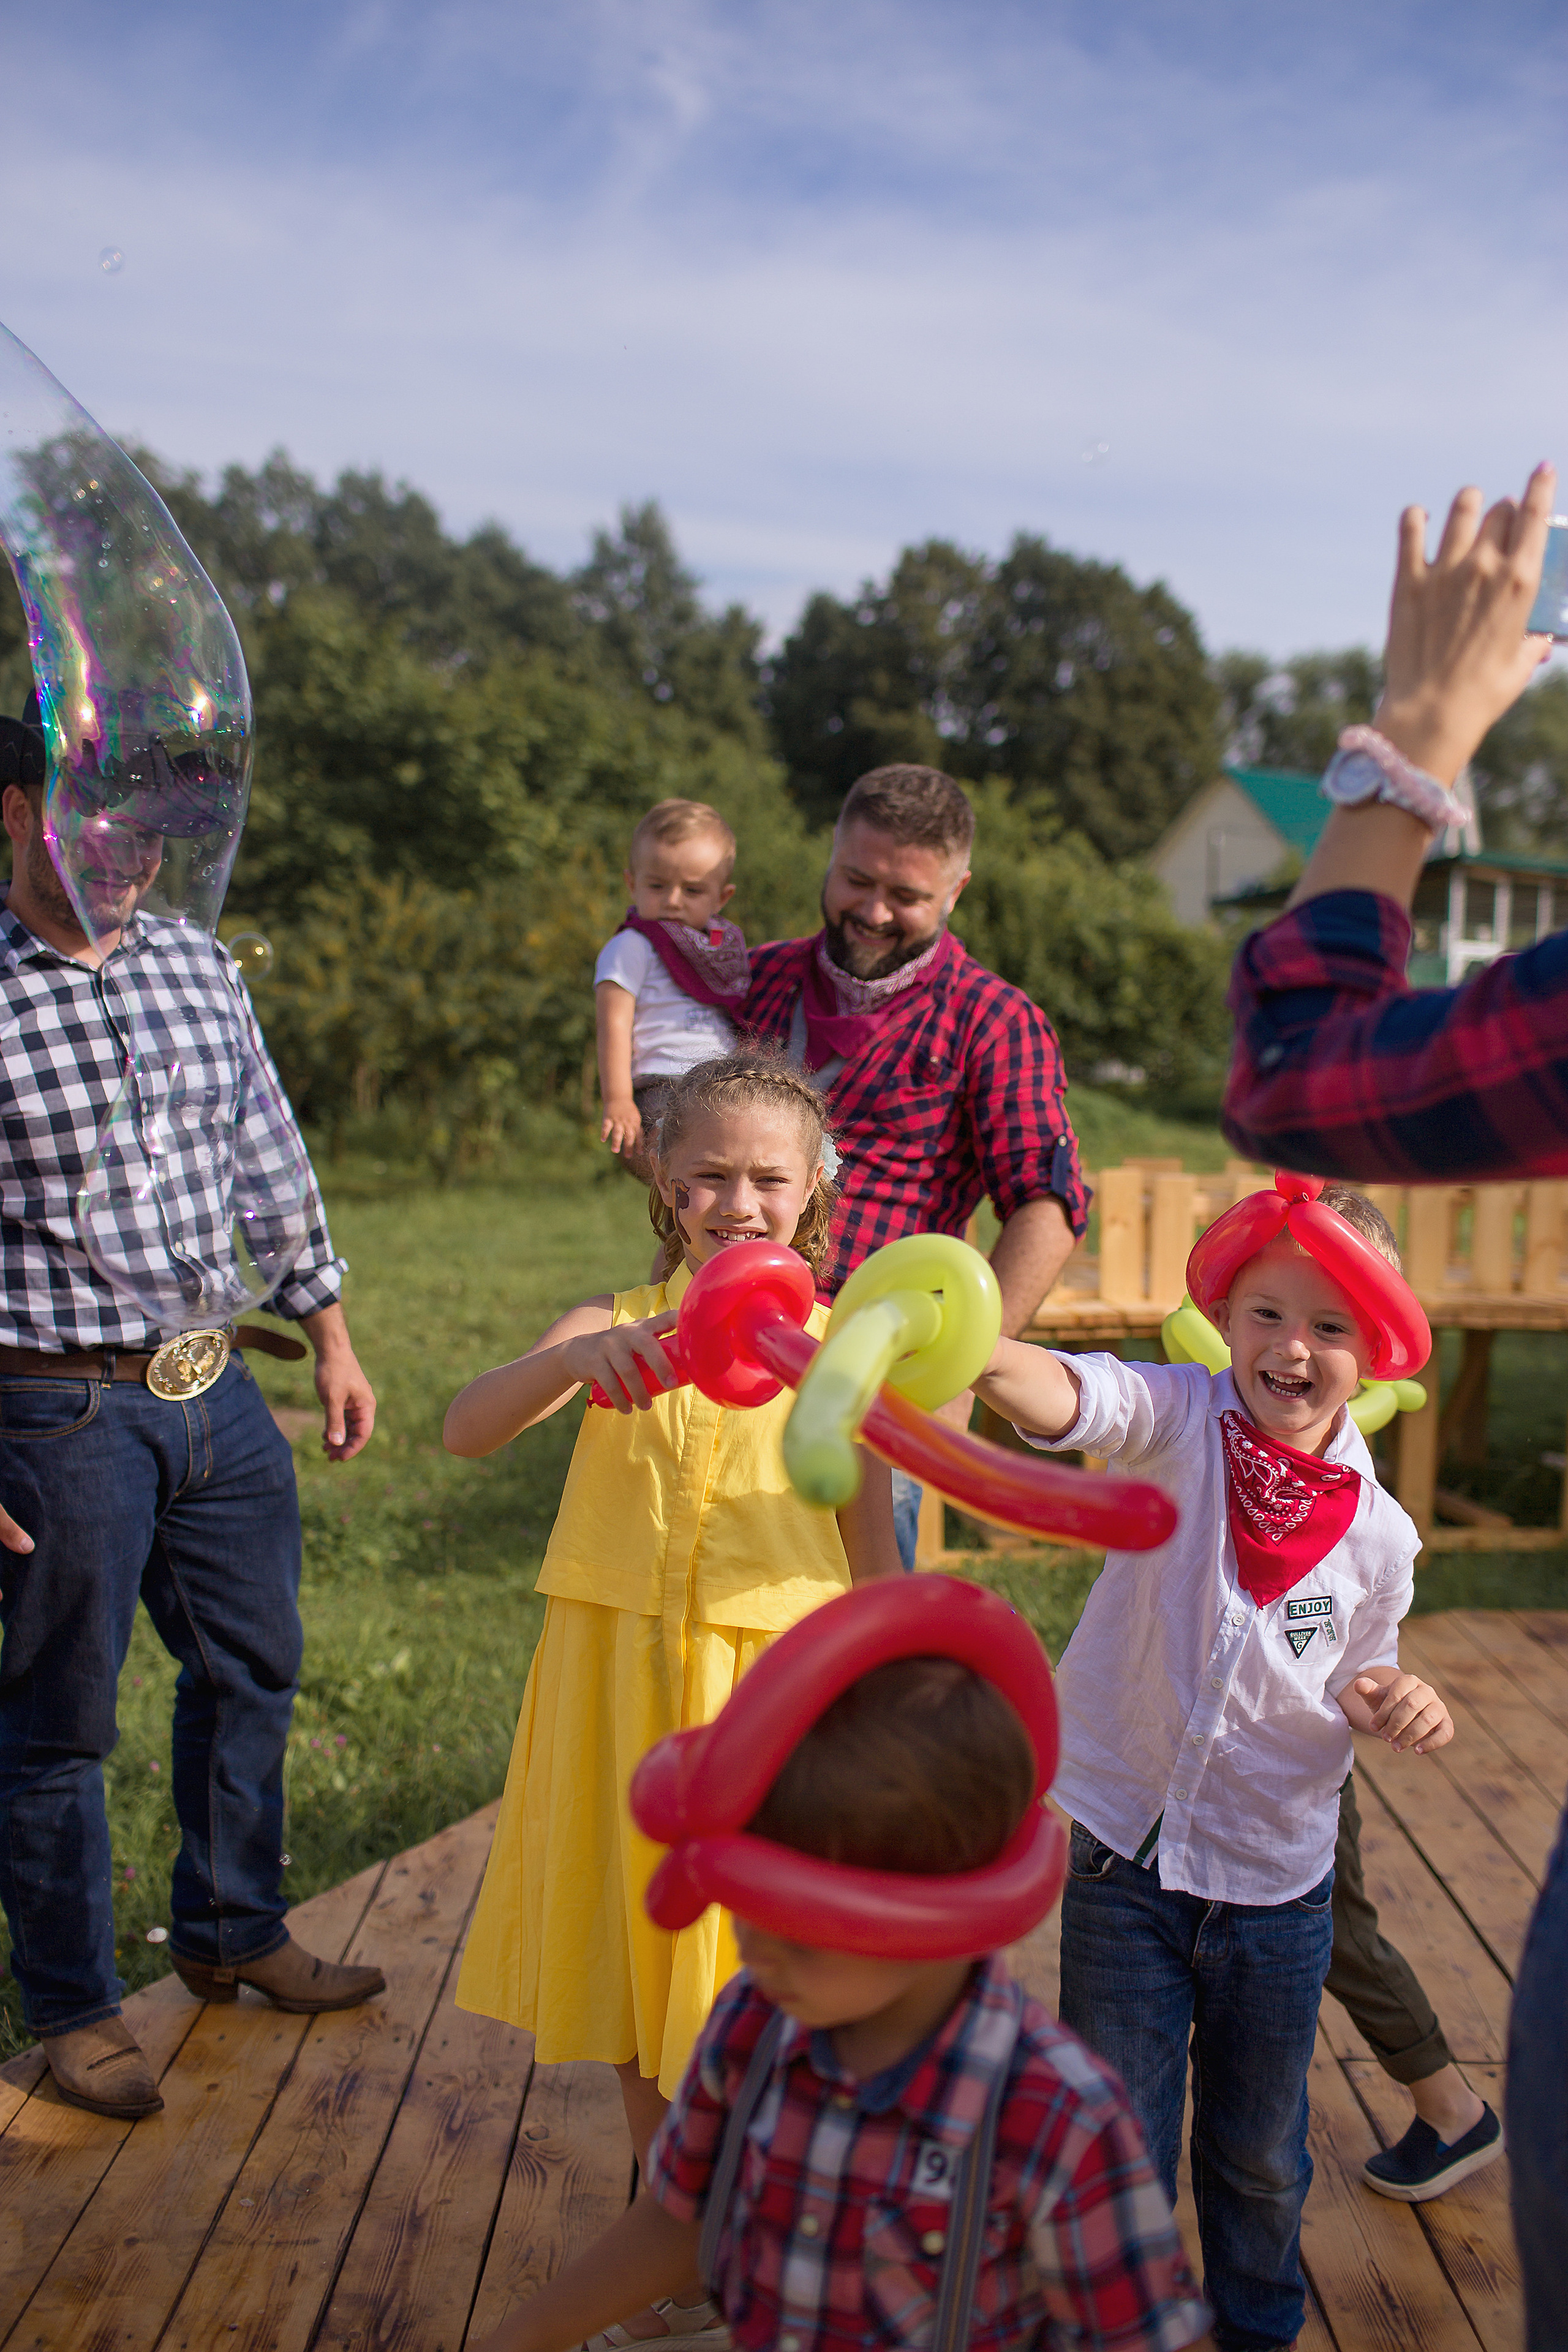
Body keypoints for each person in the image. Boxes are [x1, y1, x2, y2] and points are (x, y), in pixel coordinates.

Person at [1219, 461, 1566, 2345]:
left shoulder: (1368, 1514)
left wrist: (1411, 746)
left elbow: (1297, 1067)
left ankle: (1437, 2098)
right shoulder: (1216, 1432)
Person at [448, 1049, 901, 2342]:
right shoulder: (610, 1319)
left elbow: (875, 1560)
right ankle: (685, 2246)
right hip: (614, 1700)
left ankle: (768, 2240)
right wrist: (573, 1364)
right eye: (709, 1175)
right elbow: (467, 1429)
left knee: (752, 1988)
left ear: (815, 1189)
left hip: (768, 1708)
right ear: (661, 1175)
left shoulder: (837, 1353)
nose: (738, 1203)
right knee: (637, 1981)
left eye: (769, 1178)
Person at [971, 1179, 1458, 2348]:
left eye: (1332, 1328)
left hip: (1277, 1884)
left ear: (1377, 1351)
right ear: (1227, 1317)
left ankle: (1257, 2328)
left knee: (1259, 2156)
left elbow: (1356, 1666)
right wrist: (976, 1345)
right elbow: (1076, 1395)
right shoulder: (1180, 1416)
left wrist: (1392, 1696)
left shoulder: (1381, 1534)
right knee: (1120, 2141)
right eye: (1268, 1314)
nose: (1293, 1349)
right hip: (1125, 1863)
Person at [0, 693, 383, 2124]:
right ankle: (75, 2005)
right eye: (101, 821)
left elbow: (264, 1151)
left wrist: (327, 1326)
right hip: (53, 1413)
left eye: (154, 830)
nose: (131, 855)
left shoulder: (196, 968)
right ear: (16, 812)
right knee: (57, 1723)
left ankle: (231, 1923)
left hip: (217, 1389)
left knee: (252, 1666)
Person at [469, 1649, 1213, 2352]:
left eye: (803, 1920)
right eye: (748, 1897)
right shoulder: (752, 2026)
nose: (755, 1948)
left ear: (940, 1910)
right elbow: (683, 2217)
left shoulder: (1056, 2119)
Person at [742, 763, 1089, 1565]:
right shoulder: (753, 981)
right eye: (855, 879)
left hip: (874, 1382)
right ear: (830, 856)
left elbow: (1049, 1203)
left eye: (905, 897)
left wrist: (968, 1364)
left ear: (956, 891)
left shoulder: (993, 1020)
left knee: (849, 1636)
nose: (871, 911)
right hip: (724, 1352)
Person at [597, 800, 750, 1180]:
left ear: (722, 897)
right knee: (684, 1176)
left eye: (693, 890)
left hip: (722, 1078)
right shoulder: (633, 945)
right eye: (657, 885)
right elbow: (613, 1022)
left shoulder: (715, 952)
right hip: (664, 1081)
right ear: (632, 884)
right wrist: (617, 1099)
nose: (673, 900)